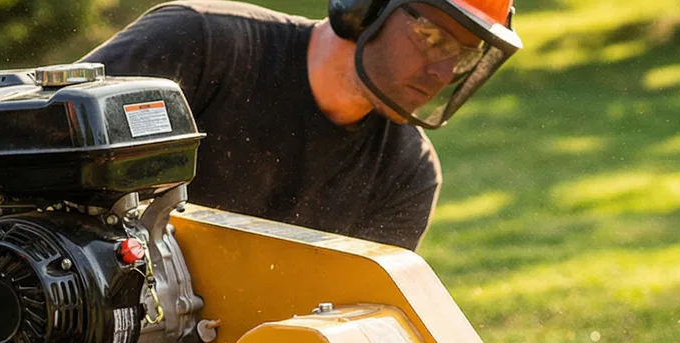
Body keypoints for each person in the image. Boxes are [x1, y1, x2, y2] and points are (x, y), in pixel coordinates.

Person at [84, 0, 521, 250]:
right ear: (365, 8)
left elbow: (358, 324)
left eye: (463, 56)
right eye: (432, 39)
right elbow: (43, 129)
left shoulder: (407, 170)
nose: (443, 73)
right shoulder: (202, 45)